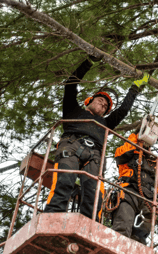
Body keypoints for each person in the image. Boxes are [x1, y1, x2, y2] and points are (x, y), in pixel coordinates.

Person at [44, 56, 149, 222]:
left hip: (94, 154)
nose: (103, 105)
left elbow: (123, 110)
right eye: (100, 101)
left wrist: (135, 88)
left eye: (106, 106)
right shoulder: (73, 110)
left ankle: (89, 223)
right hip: (71, 144)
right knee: (64, 180)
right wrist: (88, 62)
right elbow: (70, 84)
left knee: (94, 191)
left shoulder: (106, 123)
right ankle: (51, 217)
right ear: (89, 101)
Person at [111, 126, 158, 245]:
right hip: (129, 193)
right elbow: (122, 154)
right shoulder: (129, 152)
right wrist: (136, 133)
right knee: (122, 226)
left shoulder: (156, 161)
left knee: (141, 236)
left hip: (149, 200)